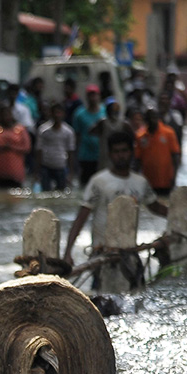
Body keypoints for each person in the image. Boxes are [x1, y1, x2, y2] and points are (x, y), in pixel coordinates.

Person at [63, 130, 168, 274]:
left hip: (129, 253)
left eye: (124, 150)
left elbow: (155, 207)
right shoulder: (99, 182)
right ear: (110, 154)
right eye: (116, 151)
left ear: (132, 152)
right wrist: (68, 252)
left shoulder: (140, 182)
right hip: (102, 254)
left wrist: (178, 216)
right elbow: (81, 217)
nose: (121, 155)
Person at [135, 106, 180, 196]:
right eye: (149, 117)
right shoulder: (140, 136)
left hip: (165, 180)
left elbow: (176, 156)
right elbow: (138, 159)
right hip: (148, 181)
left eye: (154, 117)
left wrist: (174, 177)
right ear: (146, 119)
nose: (152, 120)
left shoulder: (168, 133)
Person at [0, 102, 31, 188]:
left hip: (16, 172)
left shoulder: (20, 129)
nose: (6, 116)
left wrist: (12, 147)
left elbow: (27, 148)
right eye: (4, 114)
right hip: (0, 172)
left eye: (8, 114)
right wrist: (1, 148)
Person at [35, 101, 76, 191]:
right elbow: (39, 150)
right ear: (50, 114)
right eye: (55, 112)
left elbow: (71, 152)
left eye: (59, 112)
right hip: (46, 166)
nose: (57, 115)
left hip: (61, 166)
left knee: (61, 194)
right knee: (45, 193)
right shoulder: (43, 130)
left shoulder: (69, 131)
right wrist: (37, 172)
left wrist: (71, 173)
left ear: (63, 114)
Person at [72, 84, 106, 186]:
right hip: (85, 156)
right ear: (86, 97)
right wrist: (75, 157)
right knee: (85, 185)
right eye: (90, 95)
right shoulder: (79, 114)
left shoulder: (104, 112)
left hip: (101, 156)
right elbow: (76, 136)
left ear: (99, 96)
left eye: (95, 95)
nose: (93, 98)